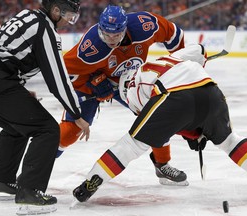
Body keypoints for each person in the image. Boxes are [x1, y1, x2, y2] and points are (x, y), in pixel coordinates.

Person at [72, 44, 247, 203]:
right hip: (211, 90)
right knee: (229, 141)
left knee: (131, 145)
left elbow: (165, 124)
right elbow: (198, 50)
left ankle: (91, 182)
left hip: (174, 95)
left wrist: (190, 132)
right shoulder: (168, 58)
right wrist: (197, 131)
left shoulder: (132, 93)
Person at [58, 5, 188, 185]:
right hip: (89, 83)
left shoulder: (145, 26)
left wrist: (183, 66)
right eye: (106, 34)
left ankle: (162, 164)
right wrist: (93, 81)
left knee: (156, 115)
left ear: (125, 29)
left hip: (127, 82)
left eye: (116, 35)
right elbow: (63, 73)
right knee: (71, 132)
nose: (111, 40)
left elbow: (173, 34)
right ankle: (34, 170)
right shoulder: (91, 48)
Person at [0, 0, 89, 214]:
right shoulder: (45, 28)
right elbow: (57, 78)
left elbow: (6, 52)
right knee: (46, 129)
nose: (69, 22)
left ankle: (0, 179)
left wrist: (19, 90)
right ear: (56, 10)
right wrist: (76, 113)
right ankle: (30, 193)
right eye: (69, 16)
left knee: (18, 125)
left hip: (0, 81)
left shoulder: (26, 16)